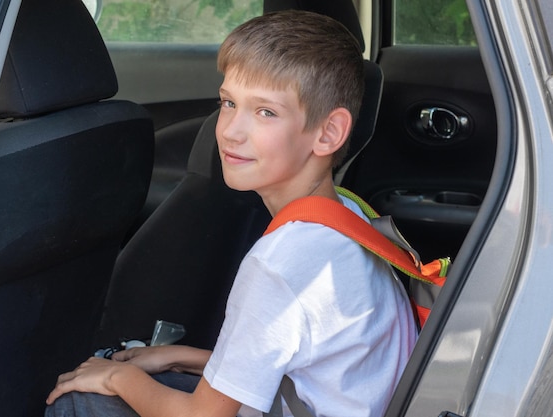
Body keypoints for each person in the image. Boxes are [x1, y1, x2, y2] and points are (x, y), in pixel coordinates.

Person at [45, 10, 417, 417]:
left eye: (265, 112)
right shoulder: (347, 216)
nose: (230, 131)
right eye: (228, 103)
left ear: (328, 133)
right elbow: (305, 368)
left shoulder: (279, 266)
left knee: (82, 401)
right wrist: (179, 356)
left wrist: (117, 378)